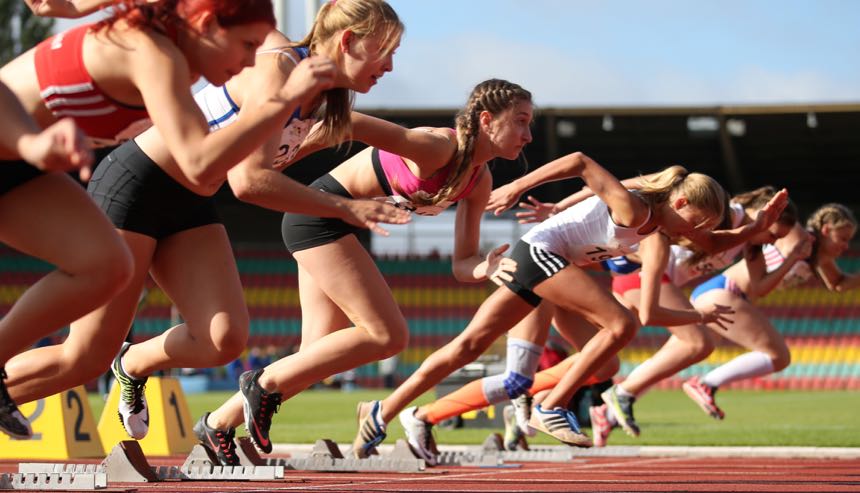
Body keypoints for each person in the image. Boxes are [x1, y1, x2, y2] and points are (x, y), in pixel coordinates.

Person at [352, 156, 782, 463]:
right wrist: (520, 187)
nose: (697, 236)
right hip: (540, 252)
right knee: (620, 323)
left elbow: (709, 247)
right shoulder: (635, 207)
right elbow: (580, 162)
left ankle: (383, 410)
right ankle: (549, 406)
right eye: (696, 224)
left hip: (545, 265)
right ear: (682, 204)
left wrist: (754, 231)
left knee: (472, 347)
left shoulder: (659, 233)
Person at [194, 78, 532, 465]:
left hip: (329, 225)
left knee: (312, 359)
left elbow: (462, 263)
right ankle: (261, 383)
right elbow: (348, 121)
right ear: (487, 120)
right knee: (388, 335)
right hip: (317, 220)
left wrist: (483, 268)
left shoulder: (478, 180)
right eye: (520, 121)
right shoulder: (438, 147)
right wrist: (277, 161)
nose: (527, 135)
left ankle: (217, 423)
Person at [1, 0, 293, 428]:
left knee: (108, 266)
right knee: (101, 286)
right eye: (246, 45)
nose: (252, 61)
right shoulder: (155, 55)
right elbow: (198, 162)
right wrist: (280, 102)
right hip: (17, 149)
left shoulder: (176, 53)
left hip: (22, 168)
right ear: (207, 24)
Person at [589, 187, 801, 444]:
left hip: (647, 280)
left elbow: (759, 288)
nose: (770, 242)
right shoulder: (729, 215)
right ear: (760, 215)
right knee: (699, 342)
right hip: (640, 272)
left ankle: (602, 411)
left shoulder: (751, 245)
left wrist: (793, 258)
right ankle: (621, 393)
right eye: (772, 234)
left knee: (613, 354)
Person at [682, 202, 855, 420]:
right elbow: (776, 218)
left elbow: (838, 283)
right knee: (778, 356)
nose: (846, 246)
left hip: (724, 295)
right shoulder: (798, 235)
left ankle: (626, 393)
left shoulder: (819, 258)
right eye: (843, 238)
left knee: (681, 355)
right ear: (827, 230)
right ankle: (705, 383)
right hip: (725, 291)